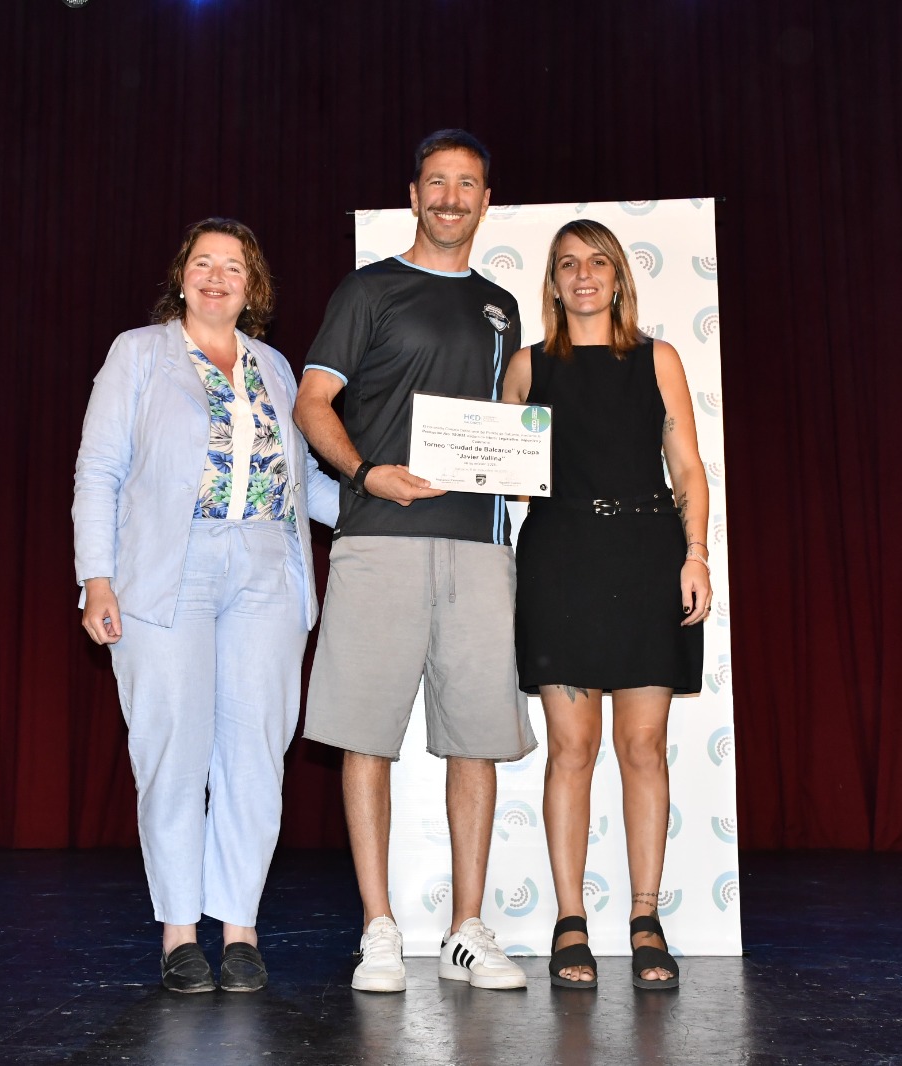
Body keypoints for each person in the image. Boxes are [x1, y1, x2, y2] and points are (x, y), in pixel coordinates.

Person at [294, 130, 536, 993]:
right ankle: (380, 928)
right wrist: (367, 474)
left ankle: (467, 929)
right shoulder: (368, 290)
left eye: (466, 184)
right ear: (414, 194)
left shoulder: (503, 306)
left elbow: (512, 421)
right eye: (437, 182)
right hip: (378, 540)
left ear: (485, 201)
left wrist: (528, 463)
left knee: (476, 739)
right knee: (368, 736)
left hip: (480, 547)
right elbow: (313, 403)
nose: (450, 197)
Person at [73, 218, 340, 993]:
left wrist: (388, 499)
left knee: (255, 751)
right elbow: (99, 470)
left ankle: (241, 929)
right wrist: (97, 578)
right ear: (182, 277)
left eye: (234, 266)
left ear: (254, 288)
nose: (217, 276)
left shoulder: (276, 367)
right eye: (204, 263)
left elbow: (303, 484)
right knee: (173, 751)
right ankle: (181, 933)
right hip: (169, 566)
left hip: (266, 566)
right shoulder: (138, 354)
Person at [502, 219, 711, 991]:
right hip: (560, 562)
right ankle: (570, 922)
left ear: (619, 276)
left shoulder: (660, 359)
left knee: (644, 747)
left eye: (597, 262)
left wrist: (696, 555)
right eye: (567, 264)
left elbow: (688, 468)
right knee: (571, 751)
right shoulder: (526, 367)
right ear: (553, 283)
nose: (583, 275)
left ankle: (646, 919)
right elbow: (503, 470)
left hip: (648, 560)